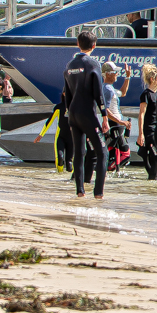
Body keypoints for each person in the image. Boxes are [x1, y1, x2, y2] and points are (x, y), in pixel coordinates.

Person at [63, 30, 109, 199]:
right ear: (94, 46)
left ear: (77, 44)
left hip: (73, 113)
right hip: (88, 113)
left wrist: (70, 113)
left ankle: (80, 191)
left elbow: (67, 93)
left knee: (79, 152)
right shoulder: (93, 64)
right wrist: (104, 116)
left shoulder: (69, 65)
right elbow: (99, 92)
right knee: (102, 152)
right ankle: (98, 193)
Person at [136, 63, 157, 180]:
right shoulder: (146, 94)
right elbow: (141, 114)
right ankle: (152, 179)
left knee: (155, 158)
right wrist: (141, 133)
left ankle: (152, 181)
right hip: (149, 130)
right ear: (152, 79)